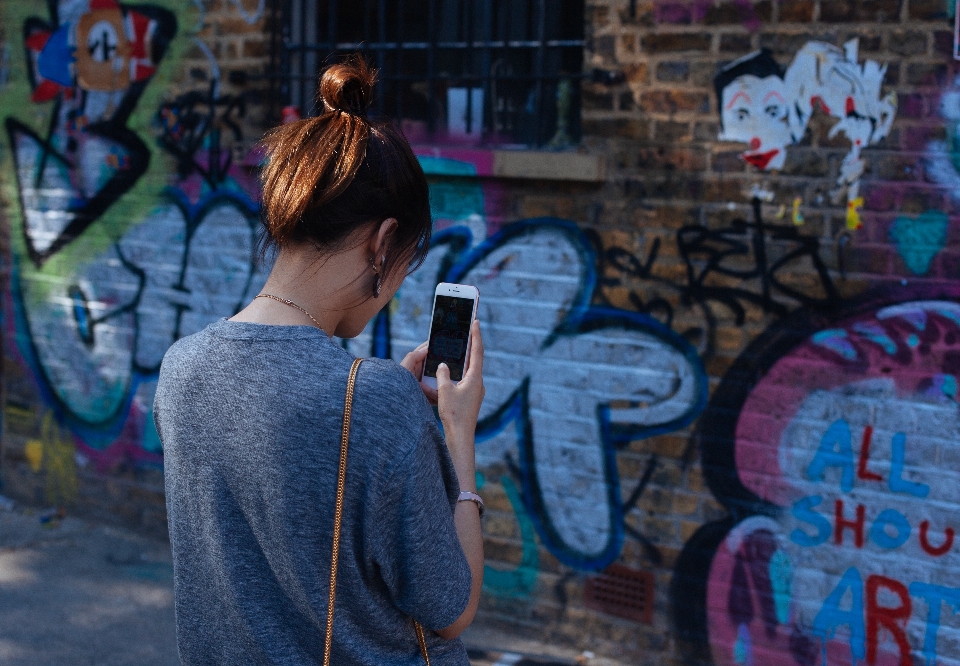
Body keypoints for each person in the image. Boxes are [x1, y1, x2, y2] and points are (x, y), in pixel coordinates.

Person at [154, 56, 485, 666]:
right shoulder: (376, 399)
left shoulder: (180, 369)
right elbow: (453, 608)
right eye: (405, 266)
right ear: (383, 243)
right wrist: (457, 435)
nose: (394, 289)